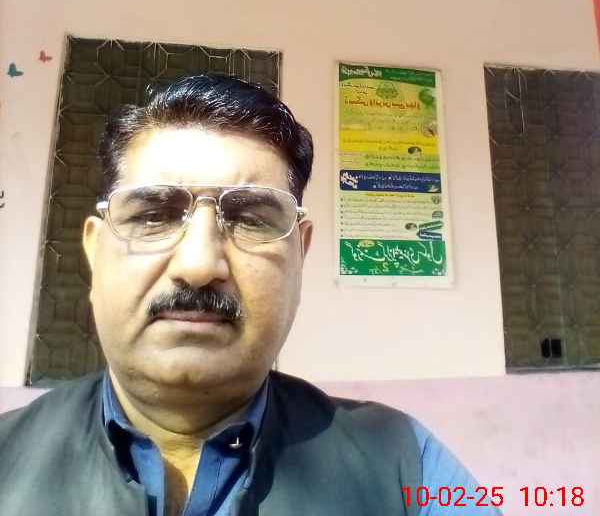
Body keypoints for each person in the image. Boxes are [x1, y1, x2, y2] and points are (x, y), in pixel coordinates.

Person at [0, 74, 502, 516]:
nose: (199, 266)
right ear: (96, 250)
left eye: (251, 219)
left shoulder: (404, 464)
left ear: (300, 253)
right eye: (153, 216)